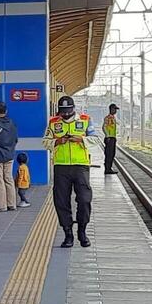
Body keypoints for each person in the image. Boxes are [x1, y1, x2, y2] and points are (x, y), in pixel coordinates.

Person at [48, 95, 94, 248]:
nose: (65, 114)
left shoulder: (86, 119)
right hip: (61, 166)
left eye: (68, 111)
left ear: (74, 109)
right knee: (61, 200)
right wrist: (56, 141)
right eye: (62, 112)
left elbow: (96, 139)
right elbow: (44, 141)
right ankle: (68, 233)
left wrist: (82, 139)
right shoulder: (53, 123)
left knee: (84, 199)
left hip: (81, 166)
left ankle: (82, 230)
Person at [102, 103, 121, 176]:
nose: (116, 111)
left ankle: (109, 168)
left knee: (112, 154)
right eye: (115, 109)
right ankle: (107, 169)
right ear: (111, 109)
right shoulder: (108, 118)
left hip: (112, 138)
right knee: (109, 154)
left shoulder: (113, 118)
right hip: (109, 138)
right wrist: (107, 136)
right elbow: (104, 127)